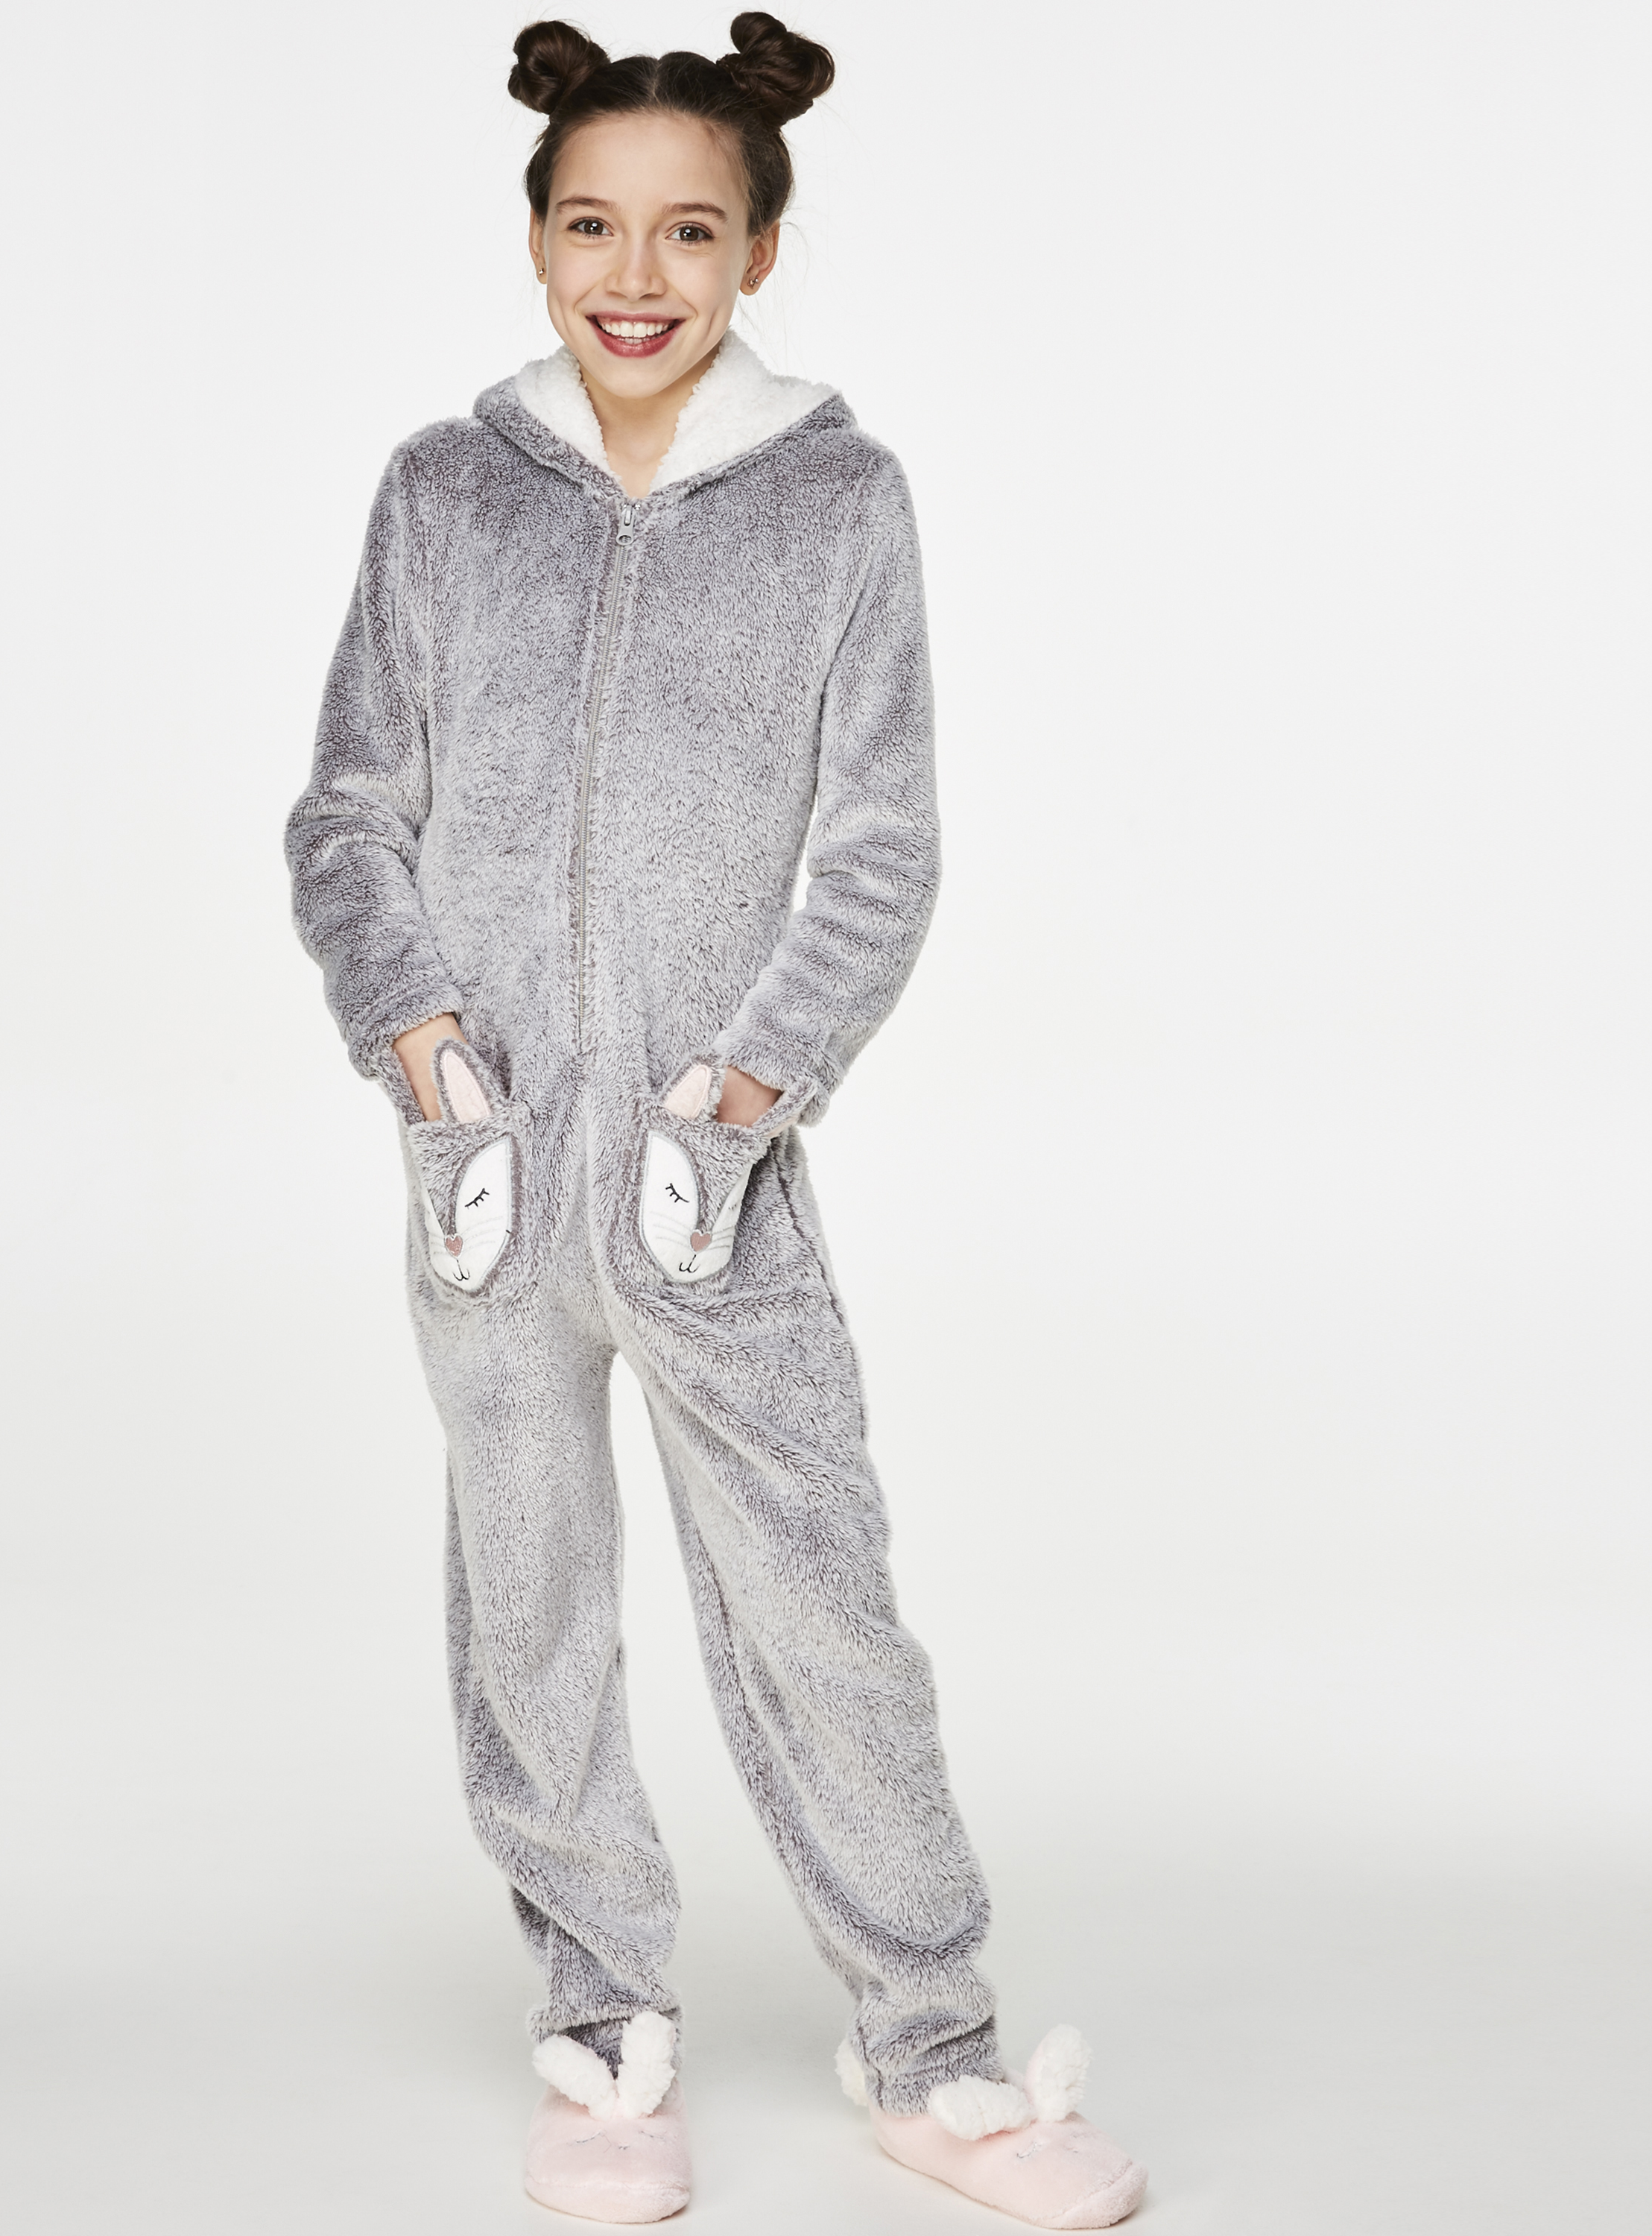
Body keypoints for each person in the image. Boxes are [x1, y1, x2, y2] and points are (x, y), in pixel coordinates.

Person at [285, 13, 1145, 2226]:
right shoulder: (444, 492)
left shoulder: (838, 503)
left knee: (817, 1604)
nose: (635, 274)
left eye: (687, 230)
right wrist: (427, 1061)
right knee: (529, 1600)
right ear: (536, 241)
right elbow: (349, 814)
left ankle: (929, 2043)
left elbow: (878, 843)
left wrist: (741, 1095)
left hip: (709, 1177)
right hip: (484, 1171)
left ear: (759, 248)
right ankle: (600, 2030)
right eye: (591, 226)